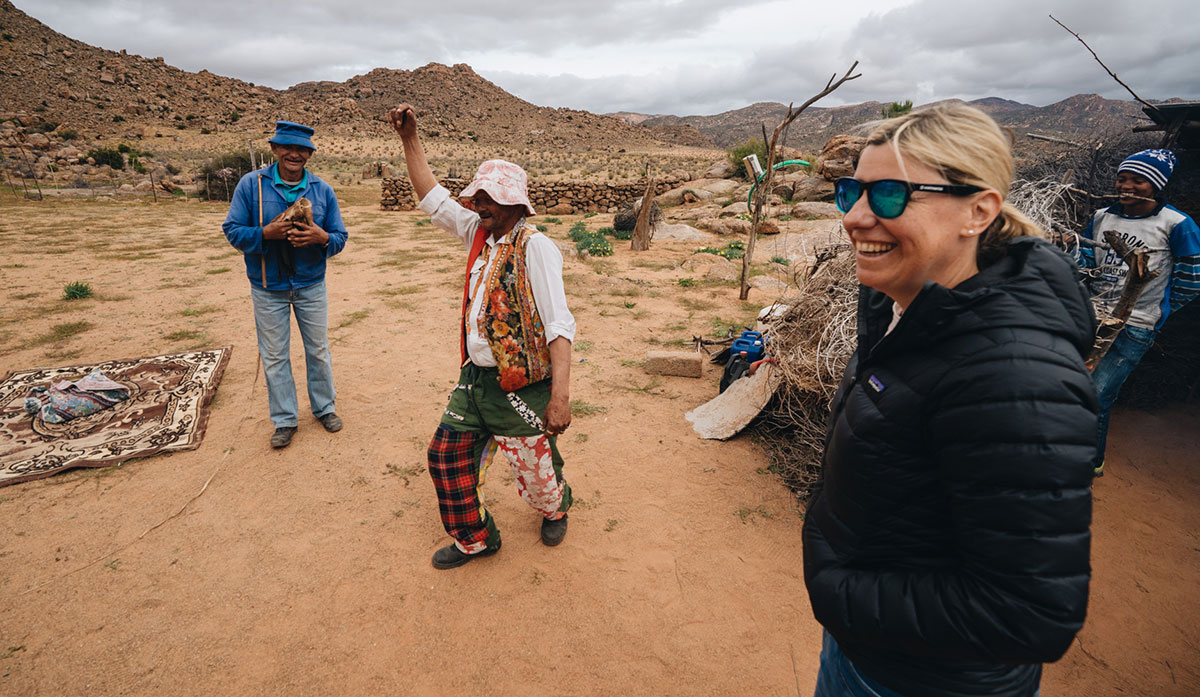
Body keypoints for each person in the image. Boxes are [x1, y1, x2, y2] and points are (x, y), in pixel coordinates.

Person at [804, 104, 1097, 697]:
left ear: (978, 211)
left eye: (891, 195)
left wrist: (838, 589)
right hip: (869, 652)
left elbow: (1027, 614)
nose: (855, 217)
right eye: (851, 193)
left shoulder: (1014, 375)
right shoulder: (906, 305)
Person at [388, 103, 576, 570]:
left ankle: (555, 507)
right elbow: (433, 198)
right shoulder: (478, 232)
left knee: (535, 474)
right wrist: (410, 139)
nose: (478, 204)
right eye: (477, 196)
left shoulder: (536, 248)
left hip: (520, 388)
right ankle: (475, 539)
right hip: (474, 380)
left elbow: (559, 325)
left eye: (489, 198)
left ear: (516, 204)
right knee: (445, 458)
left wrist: (560, 398)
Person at [222, 121, 348, 449]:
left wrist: (321, 238)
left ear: (309, 154)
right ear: (275, 149)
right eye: (288, 147)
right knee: (275, 356)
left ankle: (324, 408)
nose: (295, 154)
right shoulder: (252, 185)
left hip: (310, 285)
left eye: (302, 149)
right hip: (268, 287)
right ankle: (285, 420)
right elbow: (232, 230)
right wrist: (265, 233)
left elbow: (340, 237)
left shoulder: (322, 190)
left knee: (318, 350)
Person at [1080, 149, 1200, 475]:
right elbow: (1088, 260)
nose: (1127, 186)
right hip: (1092, 314)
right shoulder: (1103, 217)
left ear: (1156, 186)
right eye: (1122, 178)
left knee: (1098, 394)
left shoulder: (1177, 225)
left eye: (1138, 180)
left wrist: (1160, 308)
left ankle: (1091, 463)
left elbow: (1192, 279)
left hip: (1136, 325)